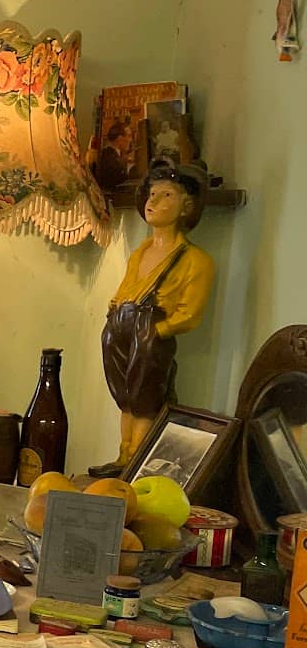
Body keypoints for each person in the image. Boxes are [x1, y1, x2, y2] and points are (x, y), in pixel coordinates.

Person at [95, 160, 215, 474]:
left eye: (166, 195)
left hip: (151, 331)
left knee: (145, 398)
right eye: (151, 194)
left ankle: (137, 460)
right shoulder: (141, 251)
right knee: (124, 397)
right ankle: (123, 458)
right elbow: (126, 288)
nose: (154, 202)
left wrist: (158, 331)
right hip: (121, 326)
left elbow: (190, 313)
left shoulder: (195, 260)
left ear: (186, 206)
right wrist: (113, 317)